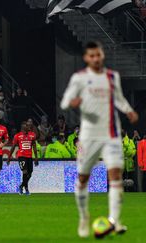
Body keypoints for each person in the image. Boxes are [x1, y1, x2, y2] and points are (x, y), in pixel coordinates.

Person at [60, 41, 138, 238]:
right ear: (87, 58)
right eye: (91, 56)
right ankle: (84, 216)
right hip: (88, 137)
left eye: (98, 55)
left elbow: (119, 99)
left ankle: (114, 220)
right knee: (83, 178)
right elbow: (65, 101)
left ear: (102, 56)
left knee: (115, 177)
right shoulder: (79, 78)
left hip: (111, 135)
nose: (95, 59)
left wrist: (128, 111)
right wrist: (73, 101)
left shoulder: (112, 77)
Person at [7, 121, 38, 195]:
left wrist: (36, 158)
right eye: (27, 126)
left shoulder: (32, 135)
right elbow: (13, 147)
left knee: (30, 174)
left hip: (29, 156)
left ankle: (21, 186)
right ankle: (26, 189)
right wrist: (9, 158)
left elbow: (34, 146)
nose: (29, 127)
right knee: (25, 171)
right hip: (21, 156)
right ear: (23, 127)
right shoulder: (17, 136)